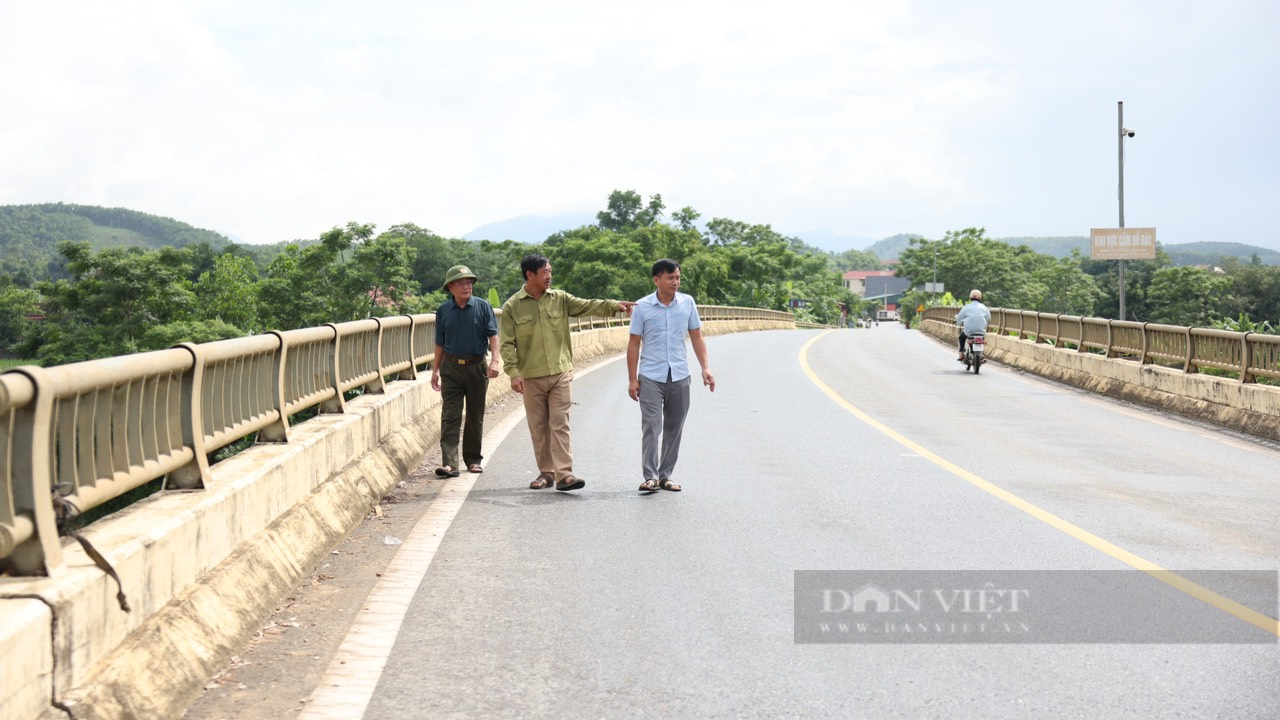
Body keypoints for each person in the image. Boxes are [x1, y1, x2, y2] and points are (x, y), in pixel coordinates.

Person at [500, 254, 636, 492]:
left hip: (560, 372)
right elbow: (507, 343)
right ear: (530, 275)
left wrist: (614, 305)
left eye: (550, 271)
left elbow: (586, 305)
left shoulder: (560, 298)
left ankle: (565, 474)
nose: (549, 276)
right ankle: (546, 473)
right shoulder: (513, 305)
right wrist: (513, 373)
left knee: (560, 423)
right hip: (531, 376)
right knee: (539, 426)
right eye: (545, 272)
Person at [627, 259, 715, 494]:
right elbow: (634, 343)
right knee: (652, 425)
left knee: (675, 427)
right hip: (651, 376)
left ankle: (666, 476)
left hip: (679, 374)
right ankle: (650, 476)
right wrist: (632, 379)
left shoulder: (687, 303)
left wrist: (705, 368)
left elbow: (696, 336)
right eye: (670, 278)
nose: (675, 282)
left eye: (677, 277)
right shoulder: (642, 307)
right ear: (656, 280)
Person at [431, 264, 500, 477]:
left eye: (469, 282)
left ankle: (473, 460)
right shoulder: (443, 311)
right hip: (451, 367)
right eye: (461, 283)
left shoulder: (482, 307)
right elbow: (440, 343)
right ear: (450, 287)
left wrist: (495, 360)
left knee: (474, 415)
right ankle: (450, 463)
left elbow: (493, 336)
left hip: (477, 366)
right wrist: (435, 370)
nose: (466, 286)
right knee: (450, 415)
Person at [955, 289, 991, 361]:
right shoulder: (984, 307)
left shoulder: (966, 307)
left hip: (969, 331)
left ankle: (961, 354)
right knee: (982, 337)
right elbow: (988, 318)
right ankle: (982, 353)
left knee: (961, 337)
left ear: (970, 297)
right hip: (981, 331)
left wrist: (958, 323)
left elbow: (959, 318)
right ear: (980, 297)